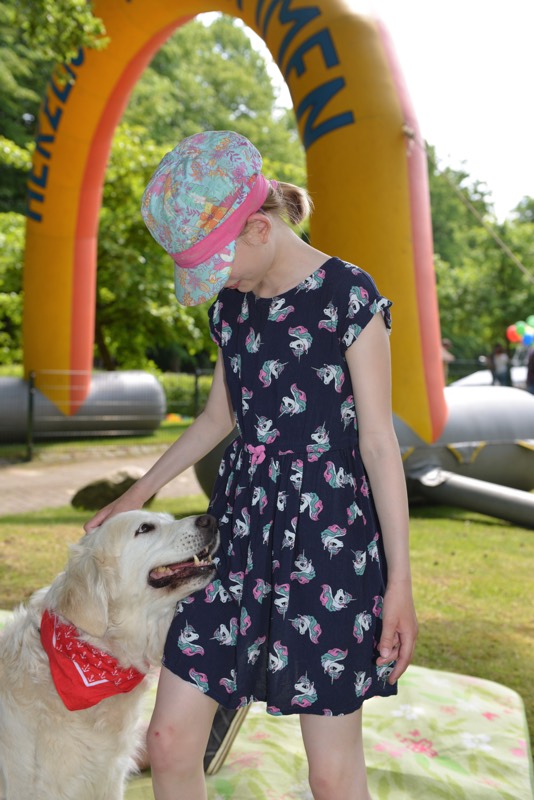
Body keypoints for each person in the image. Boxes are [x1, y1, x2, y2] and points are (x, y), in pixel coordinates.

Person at [85, 130, 418, 800]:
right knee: (170, 742)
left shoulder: (348, 296)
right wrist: (138, 492)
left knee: (330, 774)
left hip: (331, 545)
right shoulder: (232, 308)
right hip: (233, 538)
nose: (221, 283)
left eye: (220, 266)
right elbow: (218, 418)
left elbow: (379, 444)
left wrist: (400, 583)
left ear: (260, 229)